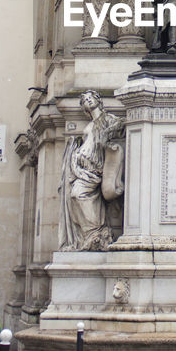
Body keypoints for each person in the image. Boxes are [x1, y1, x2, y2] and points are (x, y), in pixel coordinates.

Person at [59, 91, 125, 251]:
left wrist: (107, 134)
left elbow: (122, 125)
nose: (88, 100)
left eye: (90, 97)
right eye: (85, 100)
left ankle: (94, 231)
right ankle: (87, 235)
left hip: (94, 170)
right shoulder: (90, 124)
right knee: (73, 196)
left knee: (77, 194)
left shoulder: (106, 119)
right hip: (81, 169)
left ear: (98, 100)